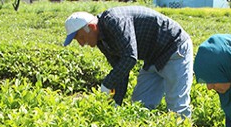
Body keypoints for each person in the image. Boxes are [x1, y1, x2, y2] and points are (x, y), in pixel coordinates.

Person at [63, 7, 193, 118]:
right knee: (140, 105)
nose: (81, 44)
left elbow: (130, 58)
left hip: (173, 48)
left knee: (177, 105)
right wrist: (115, 104)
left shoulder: (114, 21)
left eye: (80, 37)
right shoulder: (101, 41)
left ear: (91, 27)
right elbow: (121, 70)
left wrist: (106, 84)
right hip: (152, 58)